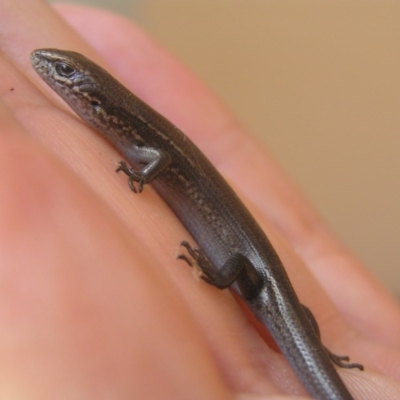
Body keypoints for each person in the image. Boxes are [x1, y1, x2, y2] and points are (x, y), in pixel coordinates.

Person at [0, 2, 399, 398]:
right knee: (300, 318)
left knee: (275, 302)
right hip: (262, 282)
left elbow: (158, 157)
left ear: (96, 99)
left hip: (252, 277)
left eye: (65, 72)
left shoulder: (140, 140)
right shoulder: (128, 125)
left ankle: (313, 346)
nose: (51, 69)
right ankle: (321, 351)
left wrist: (141, 180)